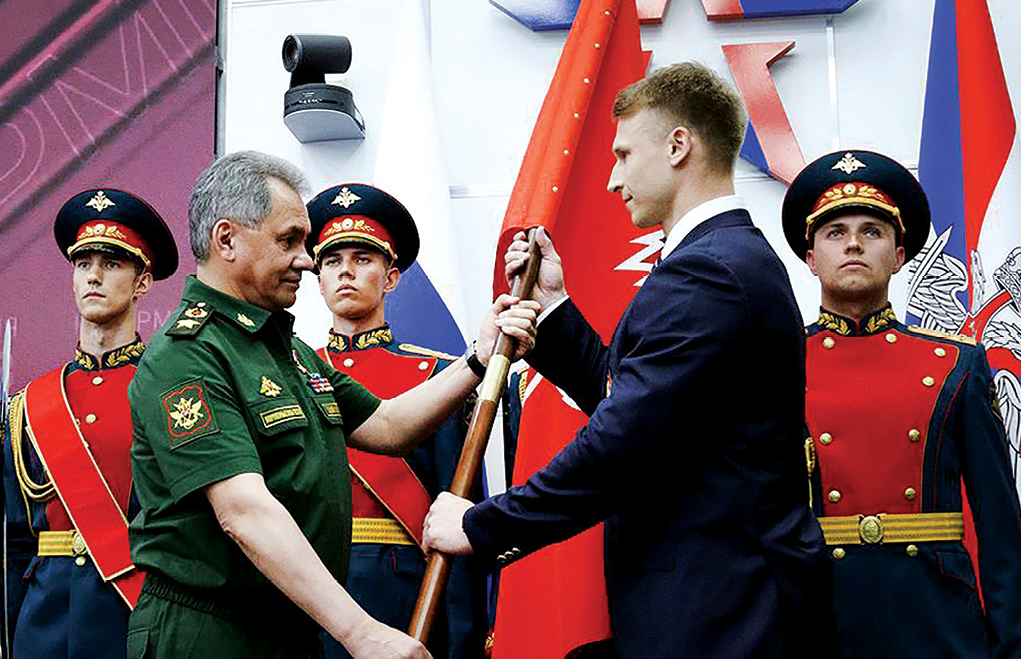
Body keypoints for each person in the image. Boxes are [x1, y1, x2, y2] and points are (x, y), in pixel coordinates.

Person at [424, 61, 833, 657]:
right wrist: (556, 309)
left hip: (723, 614)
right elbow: (643, 403)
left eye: (622, 155)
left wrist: (485, 525)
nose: (614, 180)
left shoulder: (709, 270)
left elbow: (624, 441)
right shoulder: (718, 260)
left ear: (677, 145)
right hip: (716, 607)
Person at [125, 151, 537, 659]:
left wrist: (479, 356)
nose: (305, 257)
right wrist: (362, 633)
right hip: (214, 633)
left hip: (289, 627)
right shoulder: (188, 355)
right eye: (289, 239)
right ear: (227, 240)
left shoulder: (285, 351)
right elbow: (243, 511)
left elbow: (388, 426)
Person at [781, 149, 1021, 657]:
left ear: (898, 255)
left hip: (936, 621)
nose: (853, 244)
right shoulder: (776, 368)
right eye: (834, 233)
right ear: (810, 258)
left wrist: (1010, 644)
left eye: (872, 231)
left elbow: (1000, 529)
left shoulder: (958, 365)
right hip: (820, 618)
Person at [307, 183, 499, 659]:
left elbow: (455, 513)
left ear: (391, 277)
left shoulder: (436, 377)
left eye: (363, 258)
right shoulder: (291, 373)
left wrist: (461, 638)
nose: (346, 271)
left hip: (401, 586)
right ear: (317, 275)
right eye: (332, 261)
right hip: (309, 583)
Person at [3, 188, 178, 659]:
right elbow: (15, 541)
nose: (94, 276)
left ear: (143, 281)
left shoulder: (169, 390)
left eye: (113, 264)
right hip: (42, 627)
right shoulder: (30, 404)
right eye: (84, 264)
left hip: (134, 620)